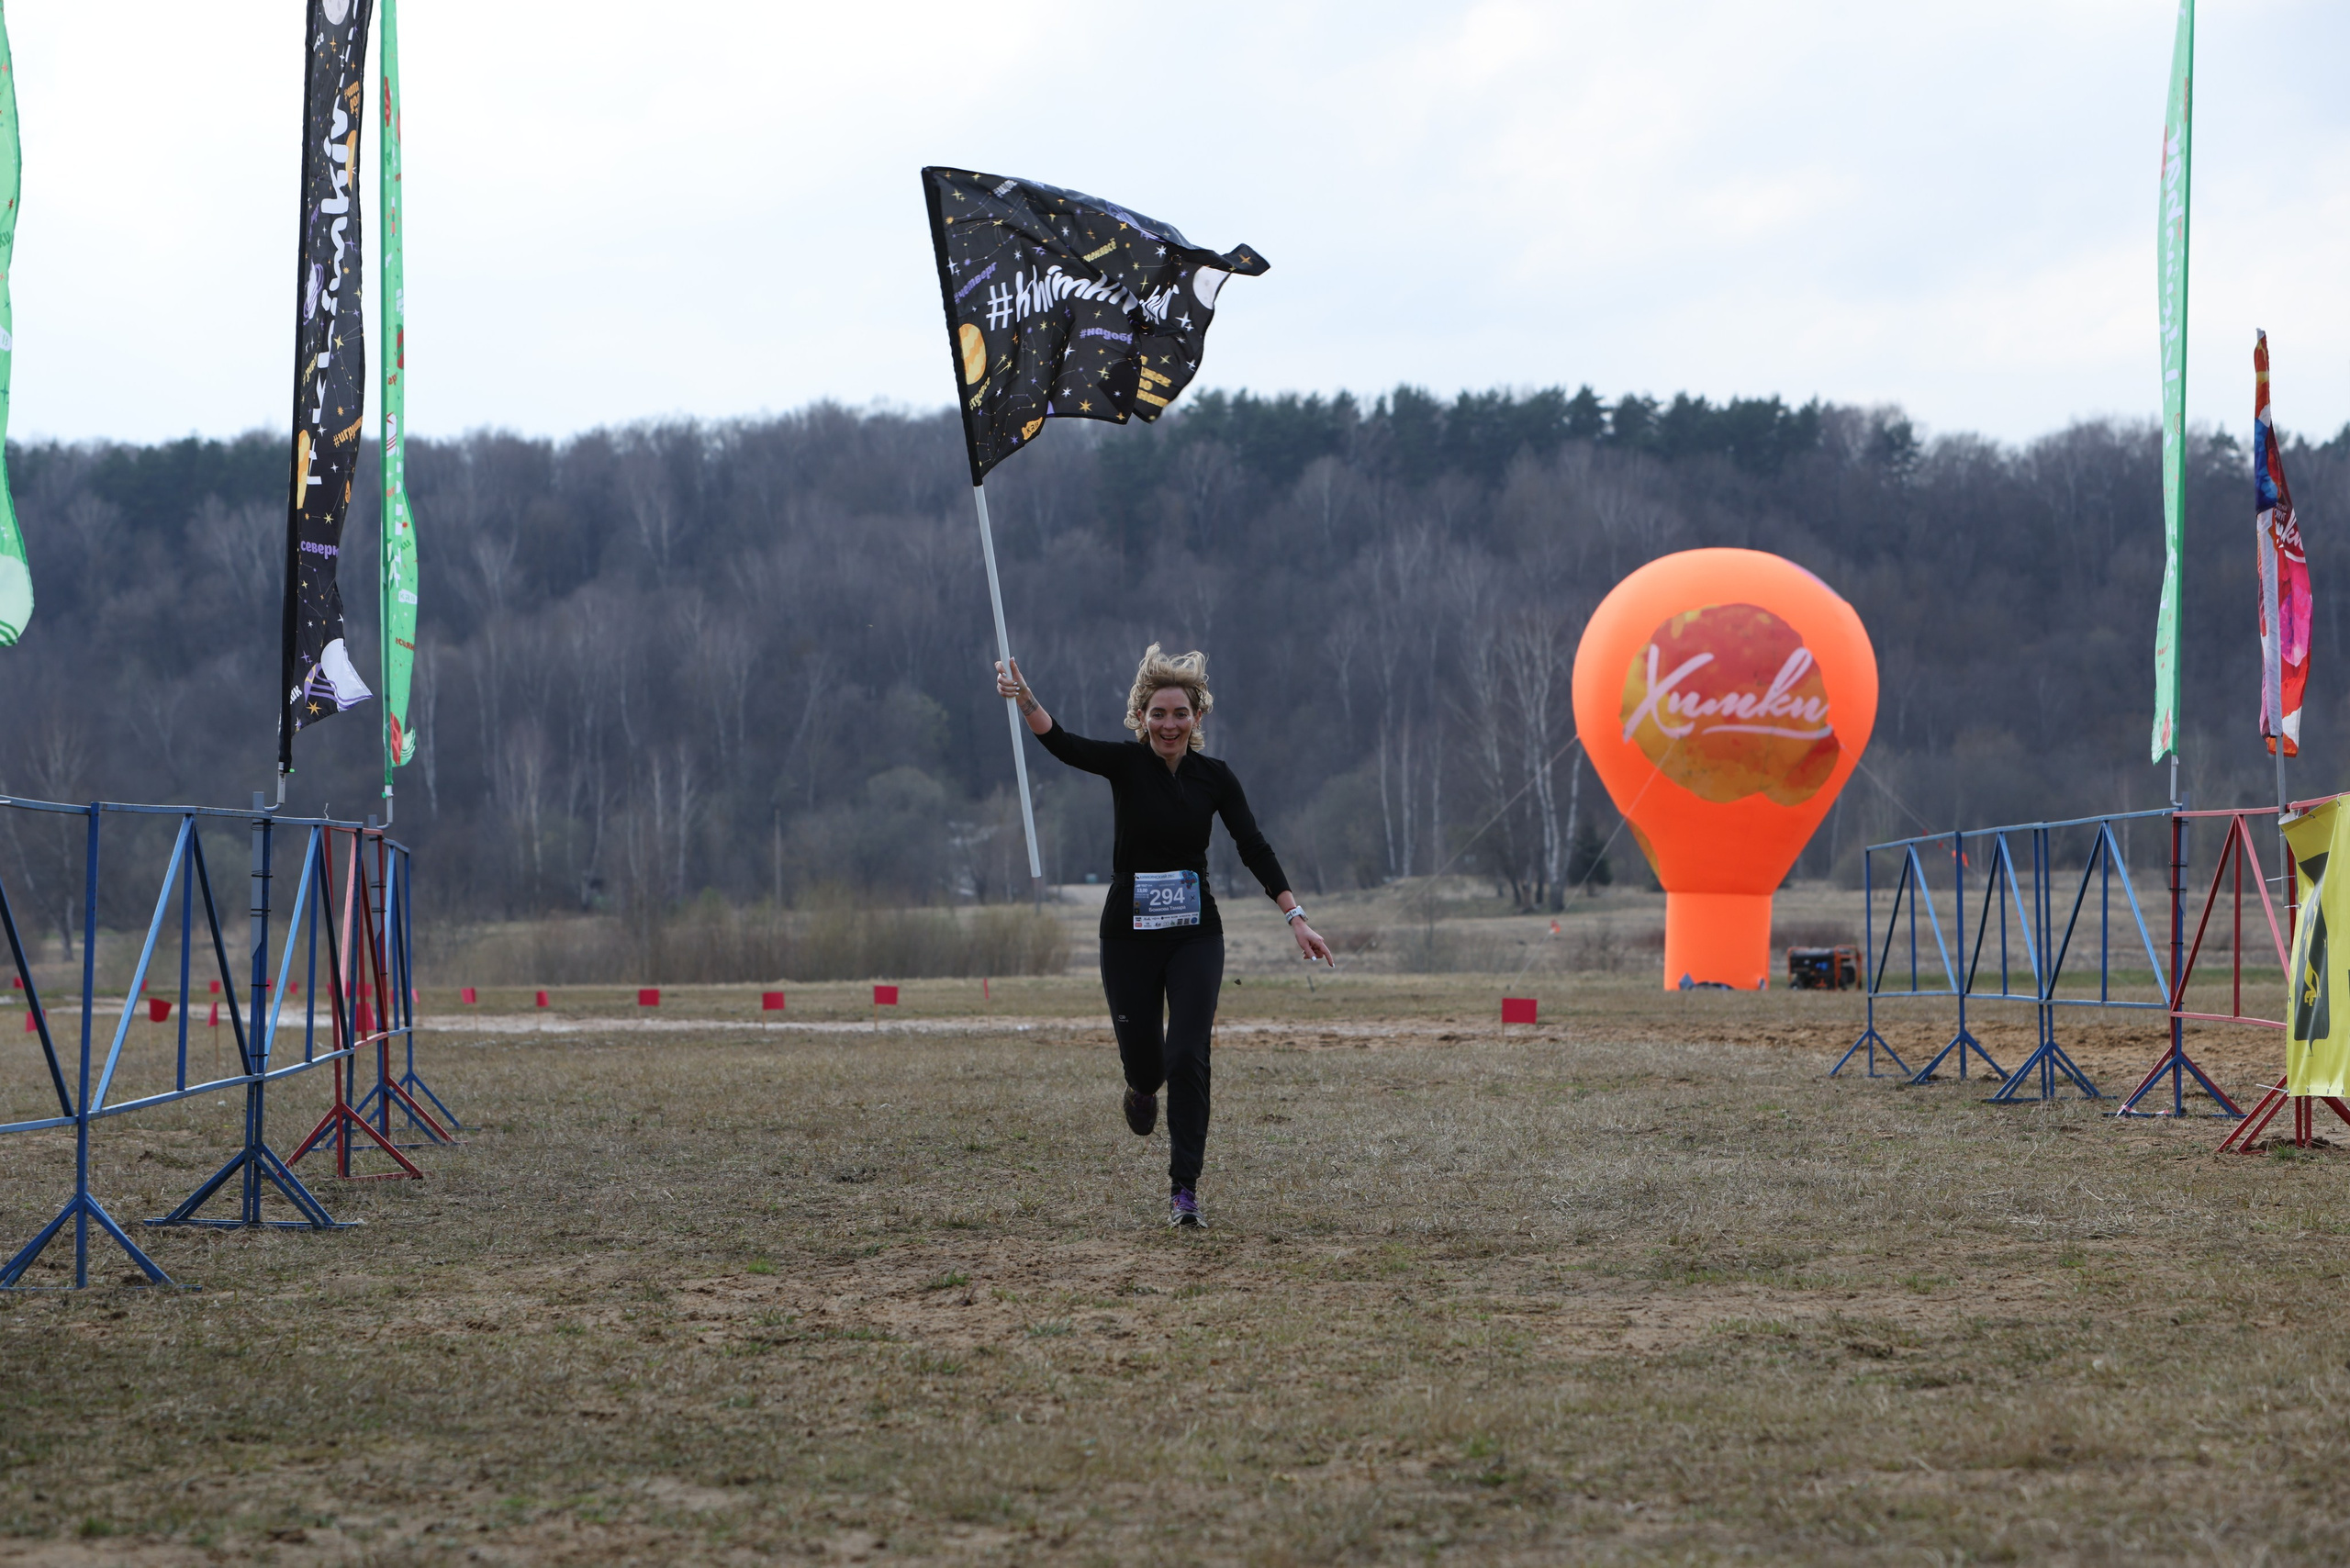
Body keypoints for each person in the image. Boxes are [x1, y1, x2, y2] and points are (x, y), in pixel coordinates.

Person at [996, 644, 1333, 1229]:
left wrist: (1294, 915)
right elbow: (1062, 742)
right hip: (1127, 936)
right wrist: (1023, 696)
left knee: (1188, 1056)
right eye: (1158, 714)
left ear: (1197, 718)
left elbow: (1253, 847)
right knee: (1149, 1068)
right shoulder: (1126, 766)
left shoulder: (1215, 779)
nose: (1169, 724)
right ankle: (1140, 1088)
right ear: (1141, 717)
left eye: (1180, 714)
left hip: (1195, 935)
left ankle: (1184, 1192)